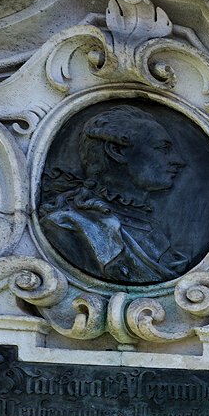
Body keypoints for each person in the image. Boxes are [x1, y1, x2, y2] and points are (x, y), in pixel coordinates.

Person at [39, 104, 191, 284]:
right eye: (163, 148)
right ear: (117, 151)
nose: (178, 161)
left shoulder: (149, 226)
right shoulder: (68, 226)